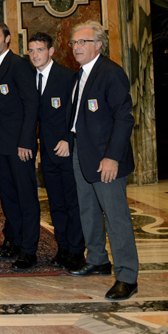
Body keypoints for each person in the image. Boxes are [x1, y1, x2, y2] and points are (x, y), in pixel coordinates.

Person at [66, 21, 139, 301]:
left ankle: (127, 276)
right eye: (74, 43)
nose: (76, 47)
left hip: (105, 158)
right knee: (89, 211)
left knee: (116, 217)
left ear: (98, 45)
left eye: (82, 42)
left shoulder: (111, 73)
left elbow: (124, 118)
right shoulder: (81, 74)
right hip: (81, 152)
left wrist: (112, 157)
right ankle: (97, 259)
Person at [0, 21, 40, 270]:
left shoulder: (18, 65)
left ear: (7, 39)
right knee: (8, 198)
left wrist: (26, 142)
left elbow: (32, 105)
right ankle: (15, 240)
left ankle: (29, 250)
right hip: (0, 147)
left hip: (20, 148)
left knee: (26, 199)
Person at [28, 32, 85, 270]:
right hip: (48, 153)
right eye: (31, 51)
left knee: (73, 203)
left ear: (51, 51)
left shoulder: (67, 77)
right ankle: (62, 248)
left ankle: (76, 252)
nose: (35, 55)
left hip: (66, 150)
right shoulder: (31, 78)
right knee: (56, 204)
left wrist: (67, 139)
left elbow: (76, 111)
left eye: (39, 50)